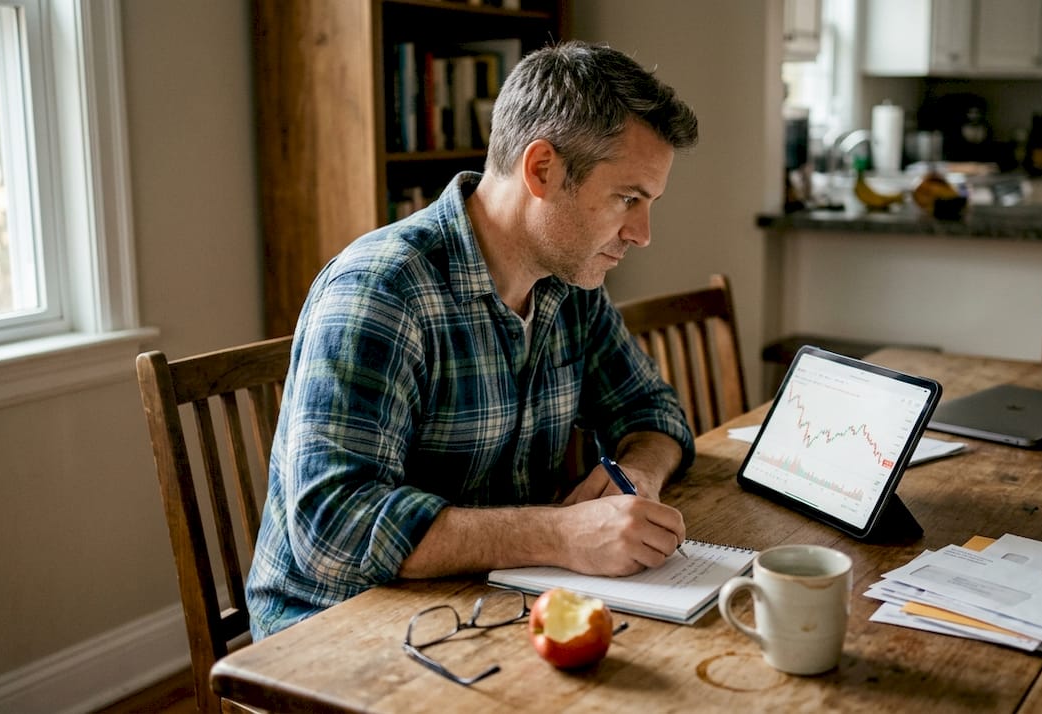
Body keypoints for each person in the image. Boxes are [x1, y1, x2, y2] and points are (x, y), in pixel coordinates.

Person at [246, 41, 701, 639]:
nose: (641, 234)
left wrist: (636, 474)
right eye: (628, 198)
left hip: (487, 601)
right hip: (332, 633)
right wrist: (560, 534)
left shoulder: (570, 285)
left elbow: (654, 413)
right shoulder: (381, 291)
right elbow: (334, 529)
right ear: (543, 170)